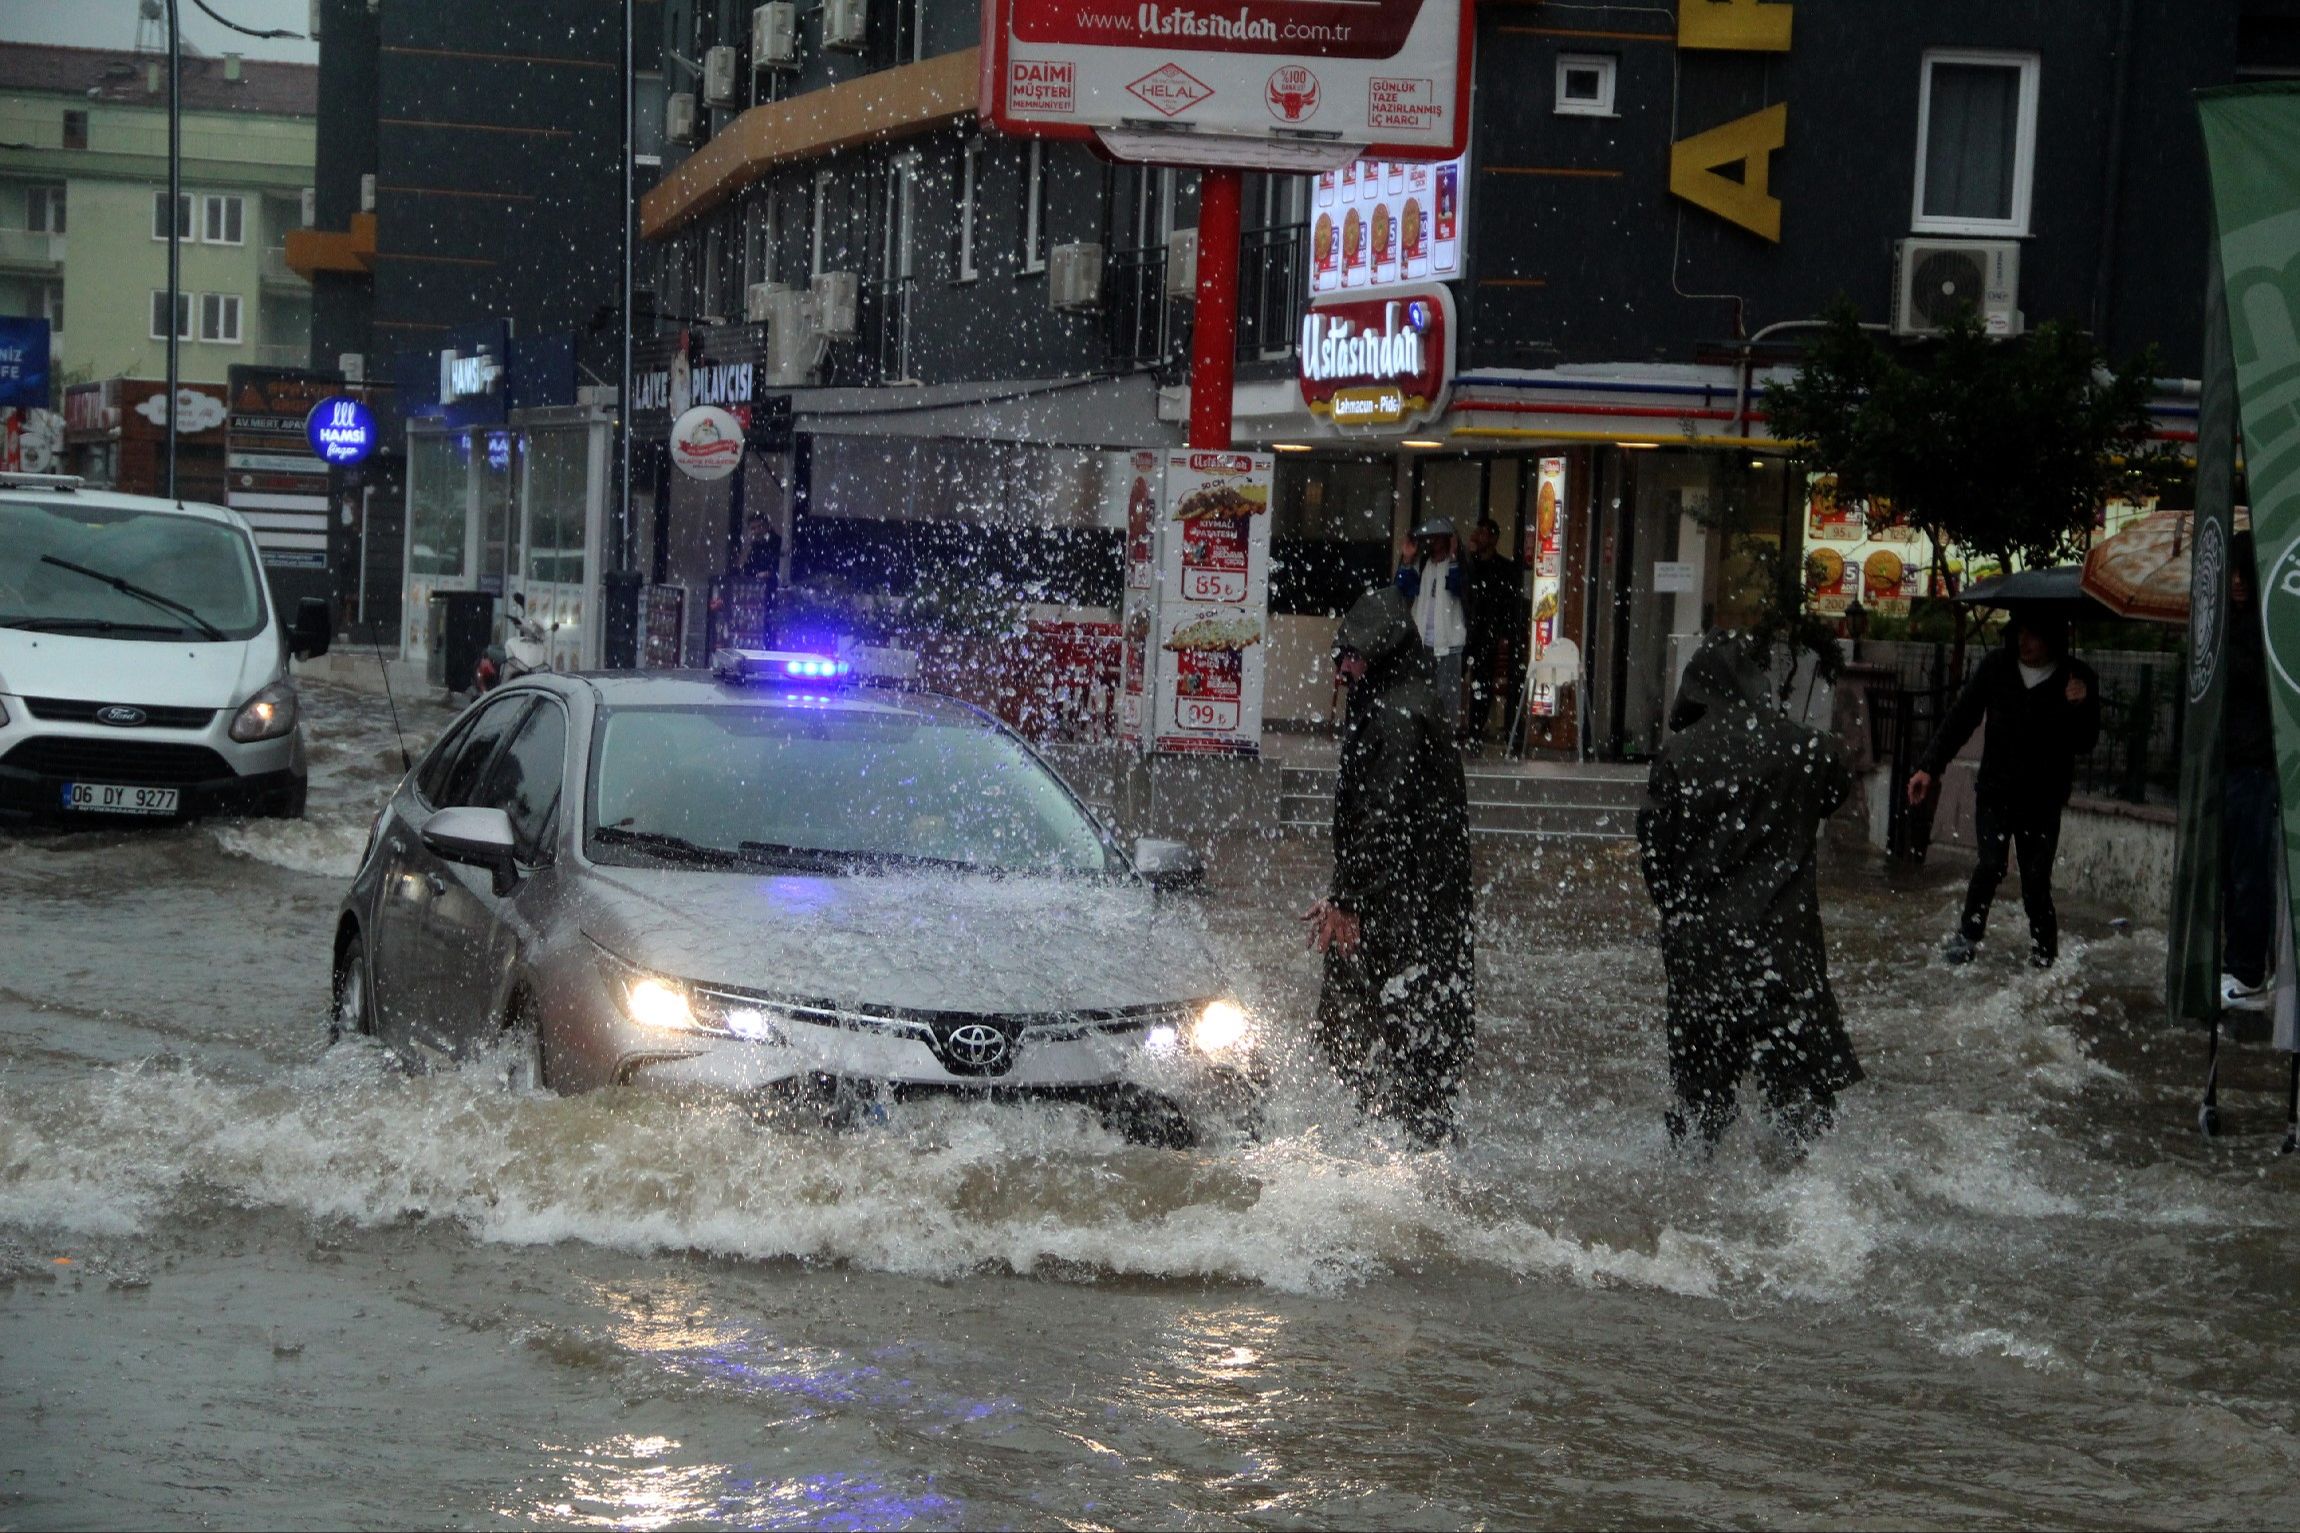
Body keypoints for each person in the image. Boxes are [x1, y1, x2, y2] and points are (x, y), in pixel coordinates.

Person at [1638, 630, 1861, 1150]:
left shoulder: (1677, 755)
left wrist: (1683, 918)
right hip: (1783, 956)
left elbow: (1655, 859)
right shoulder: (1804, 748)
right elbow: (1835, 787)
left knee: (1700, 1122)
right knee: (1805, 1123)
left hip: (1702, 960)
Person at [1303, 588, 1475, 1147]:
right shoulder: (1405, 702)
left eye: (1351, 656)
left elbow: (1381, 818)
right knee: (1417, 1048)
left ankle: (1367, 1154)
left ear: (1379, 655)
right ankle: (1402, 1152)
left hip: (1398, 917)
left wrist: (1349, 901)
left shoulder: (1396, 715)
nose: (1342, 668)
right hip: (1418, 914)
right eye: (1338, 655)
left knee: (1366, 1041)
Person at [1906, 610, 2101, 967]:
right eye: (2020, 633)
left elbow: (2086, 741)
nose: (2024, 642)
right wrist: (1928, 768)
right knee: (1991, 863)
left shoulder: (2077, 677)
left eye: (2034, 634)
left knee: (2036, 881)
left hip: (2043, 798)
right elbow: (1962, 718)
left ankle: (2044, 956)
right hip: (1996, 791)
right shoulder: (1997, 667)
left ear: (2052, 638)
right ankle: (1967, 937)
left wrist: (2080, 706)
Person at [2224, 531, 2279, 1006]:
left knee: (2248, 873)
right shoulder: (2231, 623)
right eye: (2232, 572)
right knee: (2231, 872)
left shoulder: (2261, 629)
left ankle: (2247, 969)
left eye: (2244, 572)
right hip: (2233, 764)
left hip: (2255, 765)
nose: (2237, 582)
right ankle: (2236, 963)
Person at [1394, 517, 1467, 730]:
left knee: (1446, 698)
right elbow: (1401, 589)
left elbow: (1457, 588)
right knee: (1418, 693)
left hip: (1448, 643)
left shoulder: (1457, 565)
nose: (1433, 541)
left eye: (1438, 537)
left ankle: (1445, 738)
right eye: (1431, 538)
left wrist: (1453, 556)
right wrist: (1407, 559)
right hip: (1422, 643)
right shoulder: (1423, 564)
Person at [1462, 517, 1525, 748]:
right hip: (1470, 630)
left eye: (1484, 533)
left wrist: (1503, 631)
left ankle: (1479, 731)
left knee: (1484, 682)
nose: (1479, 536)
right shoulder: (1471, 566)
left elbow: (1509, 603)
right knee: (1469, 679)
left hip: (1490, 632)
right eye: (1478, 532)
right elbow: (1465, 592)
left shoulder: (1504, 569)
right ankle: (1467, 729)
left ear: (1495, 538)